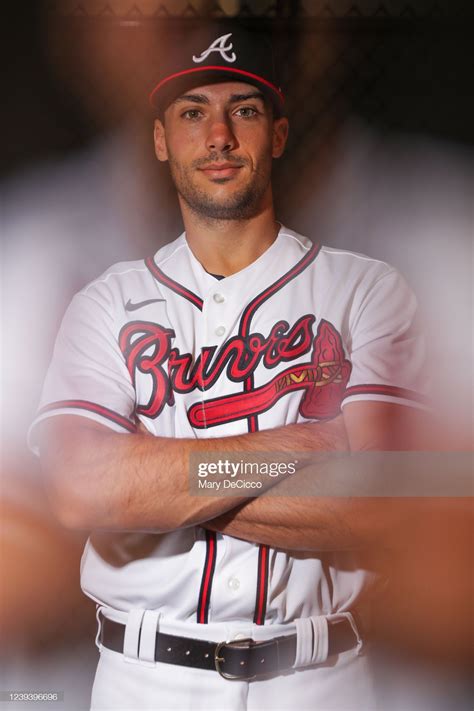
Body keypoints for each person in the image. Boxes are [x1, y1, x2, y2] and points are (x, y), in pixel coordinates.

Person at [31, 24, 428, 710]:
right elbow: (80, 489)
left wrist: (154, 478)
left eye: (242, 110)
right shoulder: (105, 301)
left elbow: (381, 501)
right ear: (161, 140)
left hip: (321, 677)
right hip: (142, 676)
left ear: (277, 133)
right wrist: (302, 450)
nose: (218, 135)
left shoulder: (369, 289)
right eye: (192, 113)